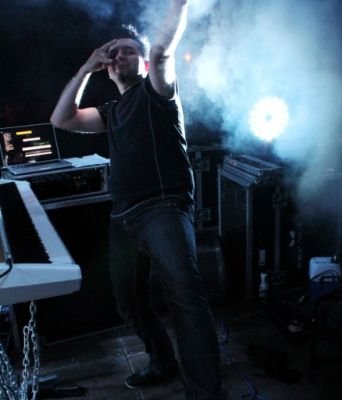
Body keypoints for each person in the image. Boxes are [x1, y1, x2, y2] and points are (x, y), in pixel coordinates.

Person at [50, 0, 226, 399]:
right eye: (113, 53)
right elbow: (61, 118)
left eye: (128, 50)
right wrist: (85, 69)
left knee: (185, 298)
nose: (119, 56)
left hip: (162, 208)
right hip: (124, 217)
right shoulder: (111, 111)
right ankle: (163, 362)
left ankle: (206, 393)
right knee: (128, 301)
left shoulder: (156, 92)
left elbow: (162, 50)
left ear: (143, 63)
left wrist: (179, 3)